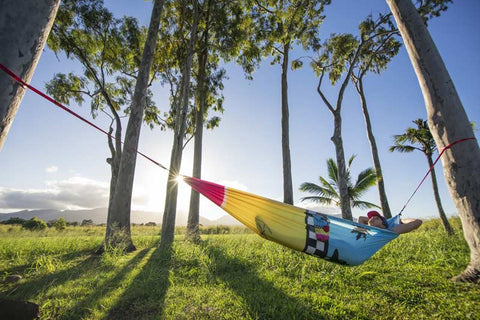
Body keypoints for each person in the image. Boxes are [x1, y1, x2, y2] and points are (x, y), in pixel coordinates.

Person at [358, 210, 422, 234]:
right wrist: (371, 224)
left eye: (376, 218)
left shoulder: (390, 231)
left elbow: (418, 222)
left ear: (383, 223)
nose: (372, 218)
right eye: (371, 218)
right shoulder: (363, 232)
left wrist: (402, 221)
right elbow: (361, 218)